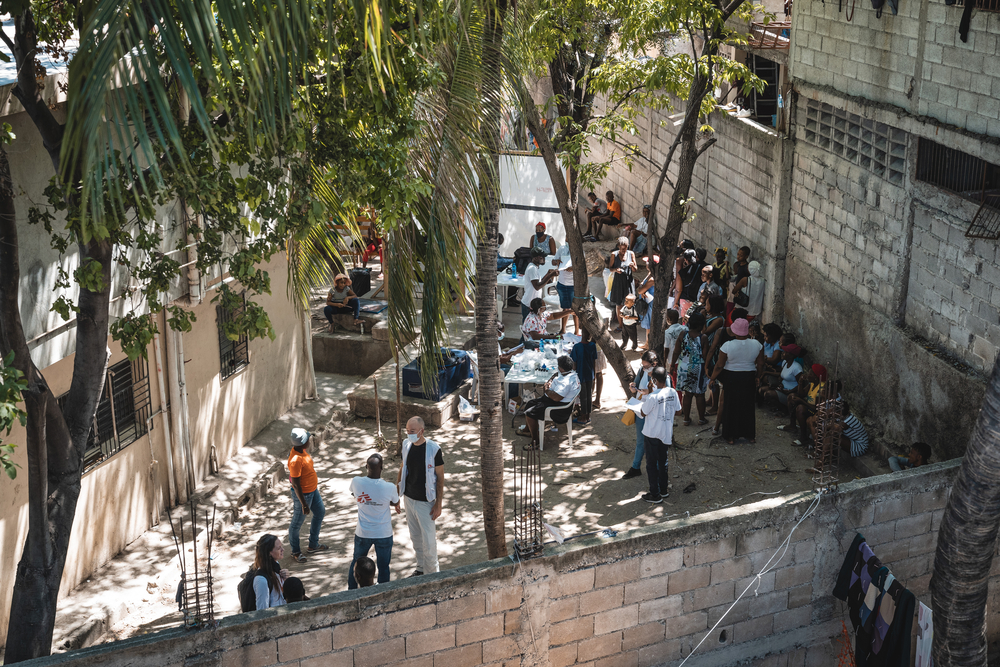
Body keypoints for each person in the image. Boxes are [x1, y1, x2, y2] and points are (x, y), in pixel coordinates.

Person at [397, 417, 445, 577]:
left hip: (426, 503)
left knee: (429, 541)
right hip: (409, 498)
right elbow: (403, 468)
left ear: (421, 431)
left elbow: (440, 477)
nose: (409, 434)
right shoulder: (406, 445)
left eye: (412, 431)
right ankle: (420, 568)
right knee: (415, 537)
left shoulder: (434, 449)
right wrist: (397, 493)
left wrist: (438, 504)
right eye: (407, 431)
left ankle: (432, 575)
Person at [348, 453, 401, 589]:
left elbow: (355, 494)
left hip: (363, 532)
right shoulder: (389, 487)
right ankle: (382, 593)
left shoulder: (356, 481)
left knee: (356, 563)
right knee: (383, 567)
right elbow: (395, 502)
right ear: (382, 468)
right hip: (383, 533)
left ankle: (351, 592)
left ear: (366, 466)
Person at [710, 318, 764, 444]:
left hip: (732, 377)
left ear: (734, 332)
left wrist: (712, 378)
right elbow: (761, 363)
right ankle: (749, 435)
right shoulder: (757, 345)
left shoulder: (727, 345)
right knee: (748, 405)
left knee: (731, 405)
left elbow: (719, 365)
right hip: (749, 376)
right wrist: (758, 376)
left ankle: (730, 436)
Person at [516, 355, 581, 449]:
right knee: (530, 403)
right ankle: (527, 430)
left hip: (558, 409)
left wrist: (546, 389)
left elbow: (556, 397)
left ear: (561, 368)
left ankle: (535, 441)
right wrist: (550, 380)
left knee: (530, 413)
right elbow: (555, 375)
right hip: (553, 401)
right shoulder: (570, 374)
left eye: (558, 366)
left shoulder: (566, 382)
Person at [639, 367, 682, 503]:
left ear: (654, 380)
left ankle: (655, 494)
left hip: (652, 433)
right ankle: (663, 490)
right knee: (663, 462)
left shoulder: (652, 397)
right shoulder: (673, 392)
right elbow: (679, 411)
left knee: (651, 464)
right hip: (666, 433)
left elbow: (643, 412)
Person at [287, 428, 327, 563]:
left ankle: (313, 545)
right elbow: (296, 484)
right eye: (308, 439)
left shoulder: (300, 451)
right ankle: (296, 552)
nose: (310, 440)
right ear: (303, 443)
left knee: (320, 512)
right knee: (296, 524)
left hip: (312, 490)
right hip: (304, 495)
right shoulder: (296, 460)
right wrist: (304, 504)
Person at [622, 350, 660, 480]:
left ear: (654, 364)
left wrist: (648, 391)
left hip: (654, 413)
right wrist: (633, 387)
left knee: (654, 443)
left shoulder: (661, 375)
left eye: (646, 366)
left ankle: (657, 471)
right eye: (642, 365)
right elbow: (636, 384)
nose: (644, 368)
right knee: (640, 441)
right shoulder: (642, 370)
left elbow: (664, 393)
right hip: (640, 410)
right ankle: (635, 467)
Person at [671, 312, 709, 426]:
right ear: (701, 326)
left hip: (684, 366)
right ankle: (702, 419)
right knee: (700, 394)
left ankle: (686, 419)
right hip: (698, 367)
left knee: (687, 394)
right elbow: (705, 354)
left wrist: (672, 364)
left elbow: (676, 351)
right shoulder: (703, 338)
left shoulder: (683, 334)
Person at [783, 364, 827, 446]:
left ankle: (803, 437)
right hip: (809, 407)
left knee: (800, 408)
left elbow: (817, 408)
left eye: (810, 373)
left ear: (815, 376)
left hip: (815, 412)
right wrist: (800, 382)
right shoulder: (812, 383)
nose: (807, 375)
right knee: (791, 397)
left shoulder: (821, 389)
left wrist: (802, 401)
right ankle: (792, 425)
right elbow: (801, 394)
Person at [520, 248, 559, 324]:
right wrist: (550, 276)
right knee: (527, 330)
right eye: (542, 257)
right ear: (535, 258)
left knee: (532, 328)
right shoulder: (532, 269)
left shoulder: (534, 267)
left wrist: (548, 274)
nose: (544, 259)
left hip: (532, 304)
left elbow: (539, 282)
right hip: (528, 304)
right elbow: (537, 287)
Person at [607, 237, 637, 331]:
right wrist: (616, 270)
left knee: (630, 303)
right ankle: (621, 325)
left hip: (628, 281)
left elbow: (635, 269)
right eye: (621, 248)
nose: (623, 251)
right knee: (619, 304)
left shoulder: (631, 253)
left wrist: (632, 266)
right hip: (618, 281)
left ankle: (629, 324)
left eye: (625, 248)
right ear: (618, 247)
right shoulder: (614, 255)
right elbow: (610, 268)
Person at [252, 534, 289, 610]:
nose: (283, 549)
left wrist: (285, 580)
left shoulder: (275, 565)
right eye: (279, 548)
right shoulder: (261, 580)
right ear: (269, 553)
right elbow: (262, 610)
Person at [570, 328, 598, 425]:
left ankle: (582, 417)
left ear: (582, 334)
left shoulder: (577, 347)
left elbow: (574, 363)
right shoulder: (592, 346)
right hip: (589, 374)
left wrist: (572, 376)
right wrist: (594, 374)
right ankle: (588, 415)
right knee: (588, 395)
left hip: (580, 374)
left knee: (583, 396)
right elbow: (594, 361)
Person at [553, 242, 579, 334]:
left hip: (573, 284)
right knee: (565, 308)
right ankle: (563, 330)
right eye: (566, 236)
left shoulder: (579, 250)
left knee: (575, 309)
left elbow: (582, 266)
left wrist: (573, 268)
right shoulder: (562, 248)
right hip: (562, 283)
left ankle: (576, 331)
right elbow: (553, 261)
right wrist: (557, 262)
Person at [675, 250, 702, 321]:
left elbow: (679, 289)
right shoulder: (701, 269)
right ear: (695, 257)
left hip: (685, 300)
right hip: (697, 300)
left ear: (685, 259)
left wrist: (675, 302)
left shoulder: (682, 272)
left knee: (685, 320)